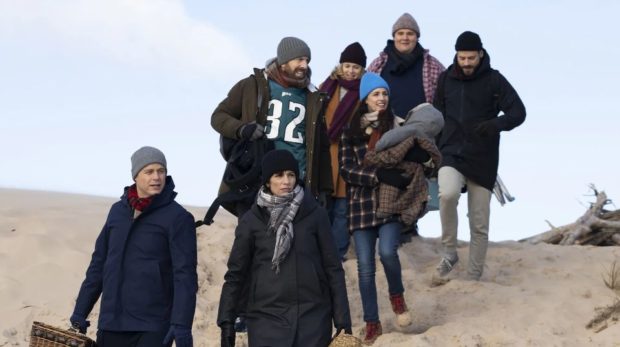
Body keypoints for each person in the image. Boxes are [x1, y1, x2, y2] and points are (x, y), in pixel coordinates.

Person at [217, 149, 352, 347]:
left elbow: (333, 269)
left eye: (291, 175)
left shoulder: (316, 215)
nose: (286, 181)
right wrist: (226, 322)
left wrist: (343, 322)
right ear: (267, 181)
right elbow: (236, 274)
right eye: (278, 175)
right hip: (265, 320)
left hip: (313, 320)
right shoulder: (251, 221)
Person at [70, 146, 198, 347]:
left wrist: (182, 323)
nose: (156, 177)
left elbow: (185, 276)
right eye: (149, 171)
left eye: (161, 171)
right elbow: (99, 265)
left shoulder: (178, 218)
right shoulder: (117, 213)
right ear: (136, 176)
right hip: (112, 322)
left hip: (153, 325)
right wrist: (80, 311)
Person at [433, 31, 526, 281]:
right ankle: (449, 252)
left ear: (480, 55)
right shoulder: (445, 80)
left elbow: (519, 112)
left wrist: (495, 125)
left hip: (483, 157)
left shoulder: (494, 80)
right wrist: (437, 145)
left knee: (479, 221)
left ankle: (473, 276)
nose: (465, 63)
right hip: (451, 152)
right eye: (462, 58)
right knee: (448, 194)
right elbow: (436, 115)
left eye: (470, 58)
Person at [211, 36, 333, 217]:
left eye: (307, 60)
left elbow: (322, 147)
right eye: (299, 59)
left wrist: (323, 188)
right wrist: (242, 129)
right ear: (283, 62)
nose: (304, 65)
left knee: (295, 242)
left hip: (296, 183)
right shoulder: (253, 86)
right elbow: (218, 116)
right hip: (256, 178)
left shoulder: (314, 96)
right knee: (252, 240)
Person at [339, 73, 413, 345]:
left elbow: (409, 161)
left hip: (389, 202)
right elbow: (347, 170)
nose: (381, 99)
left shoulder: (398, 127)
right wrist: (377, 176)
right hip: (360, 207)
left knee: (388, 252)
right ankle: (372, 323)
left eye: (384, 94)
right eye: (375, 94)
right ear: (365, 99)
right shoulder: (351, 132)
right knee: (365, 269)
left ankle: (397, 295)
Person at [367, 12, 444, 239]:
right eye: (400, 33)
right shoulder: (381, 62)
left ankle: (409, 226)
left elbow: (442, 96)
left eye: (410, 34)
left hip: (419, 129)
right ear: (394, 36)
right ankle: (385, 226)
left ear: (416, 37)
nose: (405, 38)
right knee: (388, 175)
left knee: (415, 176)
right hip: (386, 127)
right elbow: (366, 90)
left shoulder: (431, 64)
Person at [318, 41, 367, 261]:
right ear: (340, 66)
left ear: (362, 70)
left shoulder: (364, 92)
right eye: (347, 65)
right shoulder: (326, 87)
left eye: (355, 67)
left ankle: (337, 254)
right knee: (323, 206)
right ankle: (319, 251)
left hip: (349, 157)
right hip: (325, 155)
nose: (350, 70)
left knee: (342, 210)